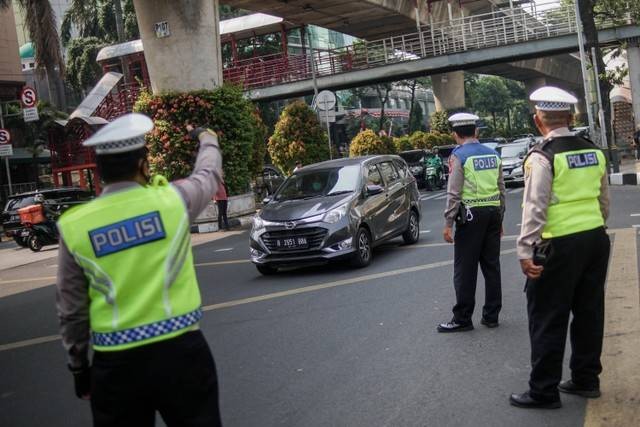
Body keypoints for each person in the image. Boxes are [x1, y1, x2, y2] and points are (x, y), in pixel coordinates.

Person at [55, 113, 224, 426]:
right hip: (182, 355)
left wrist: (79, 367)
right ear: (144, 165)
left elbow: (72, 310)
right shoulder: (174, 201)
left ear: (99, 172)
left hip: (115, 366)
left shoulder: (74, 226)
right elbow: (209, 173)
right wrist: (207, 137)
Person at [510, 87, 610, 409]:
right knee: (589, 312)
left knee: (548, 316)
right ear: (571, 117)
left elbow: (534, 208)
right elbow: (603, 201)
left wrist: (526, 250)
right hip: (595, 238)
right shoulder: (594, 151)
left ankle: (543, 391)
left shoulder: (542, 157)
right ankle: (586, 379)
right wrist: (592, 227)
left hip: (558, 245)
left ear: (538, 121)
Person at [437, 113, 506, 333]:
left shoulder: (459, 156)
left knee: (465, 270)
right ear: (476, 132)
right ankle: (491, 315)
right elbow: (501, 189)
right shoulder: (493, 154)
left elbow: (454, 193)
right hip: (493, 214)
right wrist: (500, 217)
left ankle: (463, 318)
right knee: (491, 267)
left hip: (471, 218)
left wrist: (448, 223)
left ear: (456, 134)